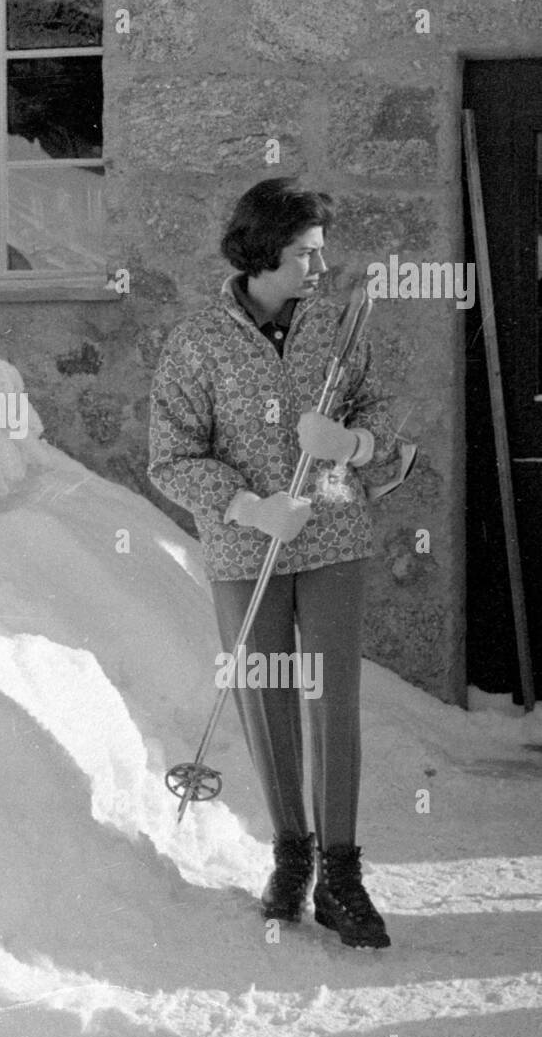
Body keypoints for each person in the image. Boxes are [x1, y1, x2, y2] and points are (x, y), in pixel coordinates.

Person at [148, 177, 405, 949]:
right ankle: (289, 855)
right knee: (266, 700)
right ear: (262, 255)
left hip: (331, 541)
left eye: (321, 253)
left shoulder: (335, 329)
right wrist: (248, 507)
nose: (319, 269)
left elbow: (381, 418)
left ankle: (341, 871)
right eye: (304, 253)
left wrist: (351, 446)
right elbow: (168, 457)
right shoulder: (197, 341)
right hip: (242, 550)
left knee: (331, 703)